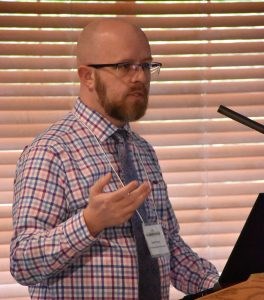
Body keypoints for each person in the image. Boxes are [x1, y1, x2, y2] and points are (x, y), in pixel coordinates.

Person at [10, 19, 219, 299]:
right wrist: (89, 223)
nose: (141, 78)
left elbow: (164, 245)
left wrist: (225, 286)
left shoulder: (143, 151)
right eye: (124, 66)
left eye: (146, 65)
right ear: (87, 76)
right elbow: (23, 262)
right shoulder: (50, 151)